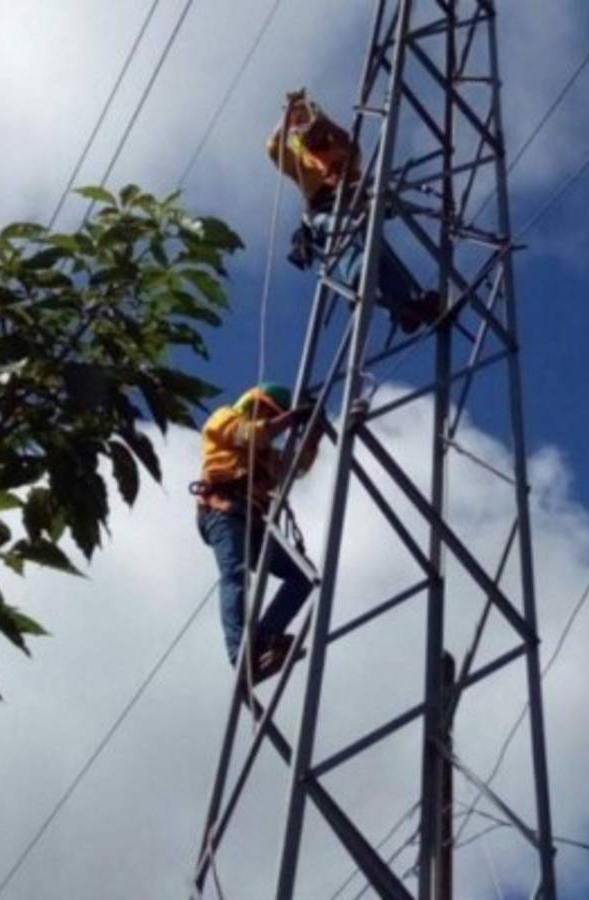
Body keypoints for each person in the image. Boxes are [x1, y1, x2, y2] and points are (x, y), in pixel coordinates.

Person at [267, 90, 443, 332]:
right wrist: (289, 112)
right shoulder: (304, 164)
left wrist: (314, 115)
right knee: (344, 234)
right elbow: (274, 147)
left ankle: (406, 308)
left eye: (305, 119)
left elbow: (344, 142)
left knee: (379, 254)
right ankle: (360, 279)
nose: (305, 126)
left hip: (356, 210)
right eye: (299, 124)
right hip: (327, 215)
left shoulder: (340, 147)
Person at [193, 383, 321, 681]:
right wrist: (291, 418)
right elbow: (253, 434)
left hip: (253, 520)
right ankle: (240, 653)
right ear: (251, 405)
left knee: (302, 577)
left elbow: (297, 466)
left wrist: (312, 433)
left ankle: (264, 639)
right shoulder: (224, 419)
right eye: (263, 411)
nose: (266, 417)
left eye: (270, 414)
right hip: (223, 512)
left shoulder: (265, 457)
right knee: (236, 574)